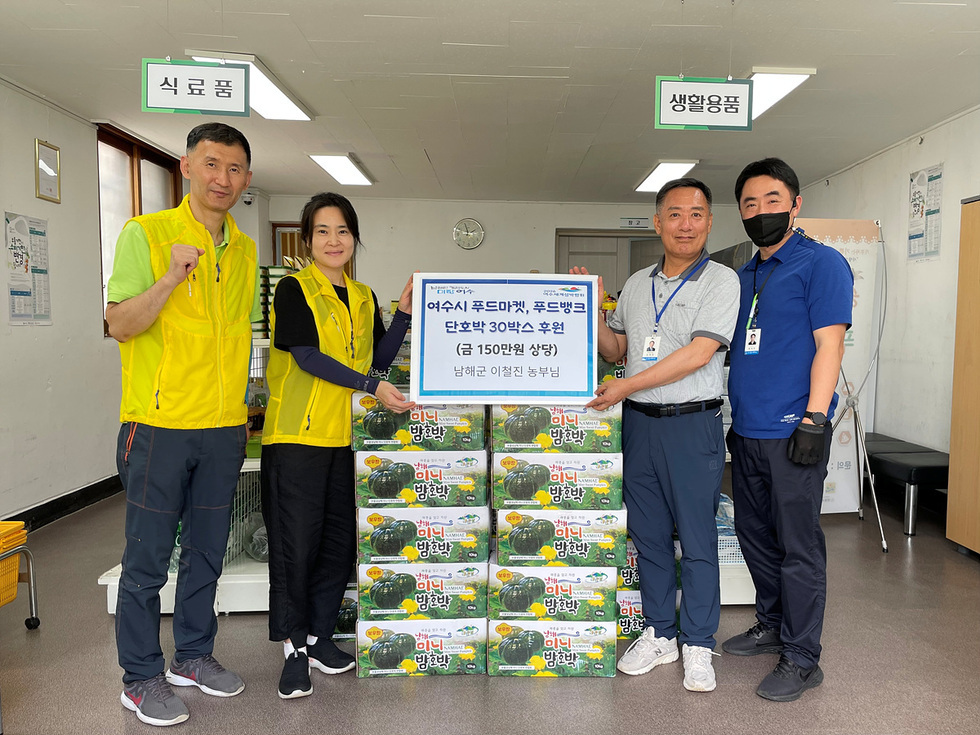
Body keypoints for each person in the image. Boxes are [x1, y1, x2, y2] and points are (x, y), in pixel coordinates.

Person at [106, 122, 260, 727]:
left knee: (207, 553)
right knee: (145, 561)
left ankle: (192, 656)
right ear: (187, 167)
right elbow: (118, 324)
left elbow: (241, 337)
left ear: (247, 179)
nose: (224, 179)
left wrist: (244, 412)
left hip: (223, 428)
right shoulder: (146, 233)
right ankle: (140, 676)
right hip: (158, 425)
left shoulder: (245, 250)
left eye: (236, 169)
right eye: (212, 164)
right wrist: (170, 278)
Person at [572, 178, 739, 692]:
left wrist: (624, 388)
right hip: (640, 427)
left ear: (709, 222)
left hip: (694, 425)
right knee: (647, 539)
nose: (685, 224)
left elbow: (697, 353)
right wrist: (591, 305)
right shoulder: (639, 281)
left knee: (696, 539)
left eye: (696, 214)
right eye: (674, 214)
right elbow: (616, 349)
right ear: (657, 222)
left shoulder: (721, 281)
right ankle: (661, 633)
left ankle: (698, 643)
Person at [260, 192, 414, 700]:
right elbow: (305, 355)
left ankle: (321, 637)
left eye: (343, 231)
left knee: (337, 544)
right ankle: (293, 648)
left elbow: (375, 365)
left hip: (345, 440)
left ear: (354, 239)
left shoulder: (364, 295)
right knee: (295, 546)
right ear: (308, 239)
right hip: (297, 438)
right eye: (323, 231)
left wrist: (404, 317)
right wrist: (371, 388)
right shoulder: (292, 289)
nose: (334, 240)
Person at [723, 157, 853, 702]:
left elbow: (830, 344)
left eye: (772, 201)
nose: (760, 212)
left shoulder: (821, 264)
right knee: (754, 537)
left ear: (795, 204)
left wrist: (814, 419)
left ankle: (803, 657)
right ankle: (772, 624)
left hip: (795, 429)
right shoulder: (744, 273)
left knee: (798, 546)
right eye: (750, 204)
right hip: (746, 430)